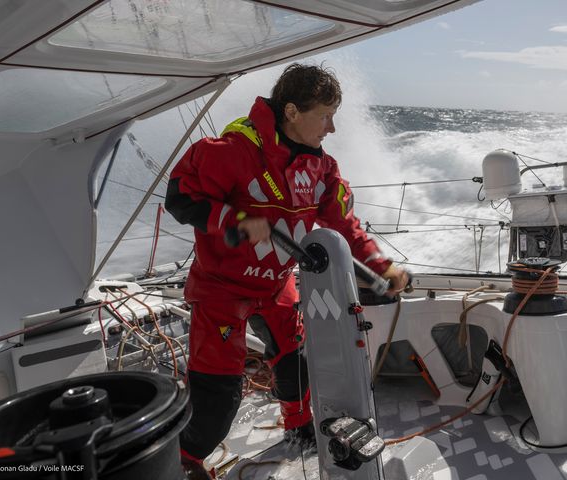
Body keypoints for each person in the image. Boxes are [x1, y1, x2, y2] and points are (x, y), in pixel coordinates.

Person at [165, 63, 408, 469]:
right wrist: (238, 222)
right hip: (220, 291)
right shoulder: (229, 151)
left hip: (277, 287)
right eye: (325, 116)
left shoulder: (323, 169)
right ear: (292, 112)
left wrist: (382, 267)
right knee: (217, 402)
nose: (331, 129)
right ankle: (182, 463)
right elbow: (180, 197)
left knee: (296, 366)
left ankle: (297, 427)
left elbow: (343, 225)